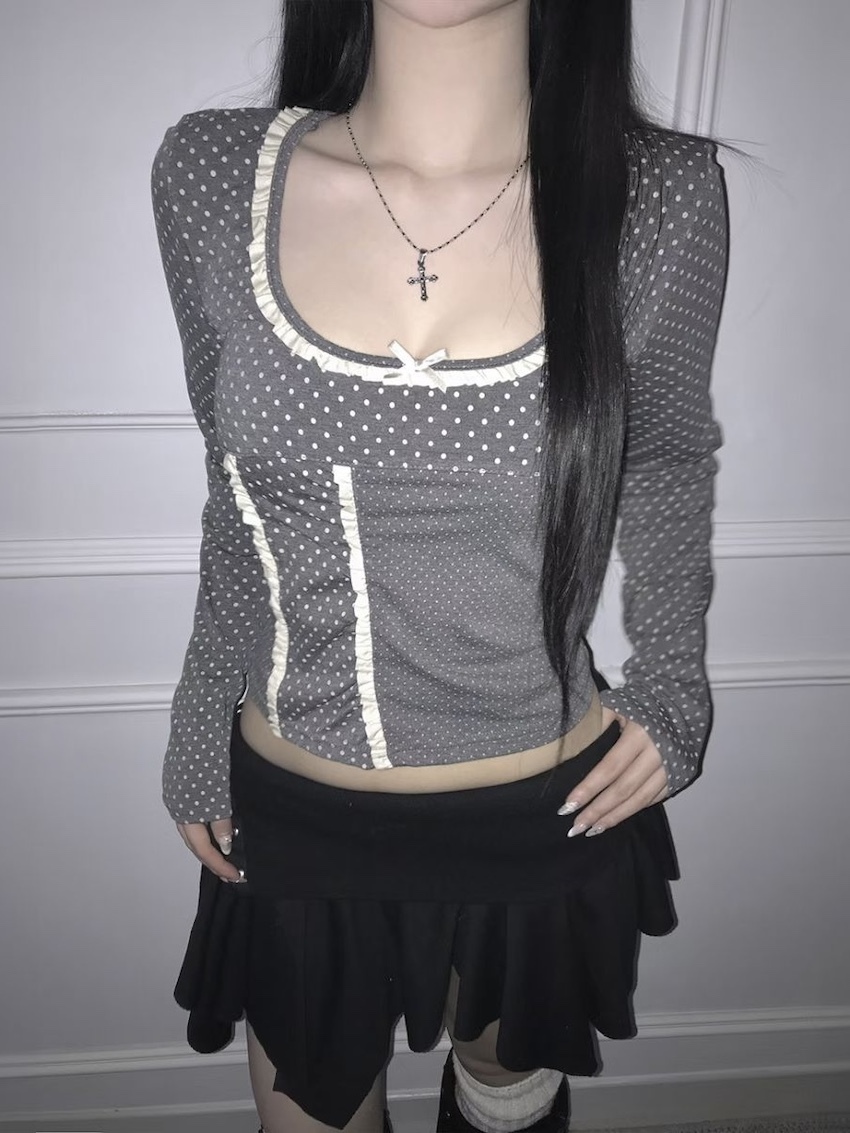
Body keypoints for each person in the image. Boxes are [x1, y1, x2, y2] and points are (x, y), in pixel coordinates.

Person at [151, 0, 729, 1129]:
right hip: (294, 809)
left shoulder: (660, 196)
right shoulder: (212, 175)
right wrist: (195, 716)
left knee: (505, 1097)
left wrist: (673, 684)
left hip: (542, 808)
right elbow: (233, 488)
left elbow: (663, 455)